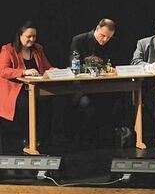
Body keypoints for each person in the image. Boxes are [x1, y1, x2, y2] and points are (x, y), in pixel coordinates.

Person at [67, 18, 131, 146]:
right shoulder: (79, 40)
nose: (105, 40)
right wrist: (98, 68)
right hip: (83, 88)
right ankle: (85, 139)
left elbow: (118, 65)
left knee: (122, 101)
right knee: (87, 105)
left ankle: (117, 136)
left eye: (108, 37)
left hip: (106, 87)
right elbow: (74, 66)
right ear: (96, 29)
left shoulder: (113, 43)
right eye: (102, 35)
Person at [0, 21, 55, 152]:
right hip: (14, 90)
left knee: (48, 102)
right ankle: (26, 140)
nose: (32, 40)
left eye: (34, 36)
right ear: (19, 36)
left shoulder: (38, 49)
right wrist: (23, 72)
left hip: (35, 89)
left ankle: (39, 140)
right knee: (25, 105)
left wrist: (55, 71)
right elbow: (3, 70)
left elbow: (47, 67)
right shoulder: (8, 49)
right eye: (28, 37)